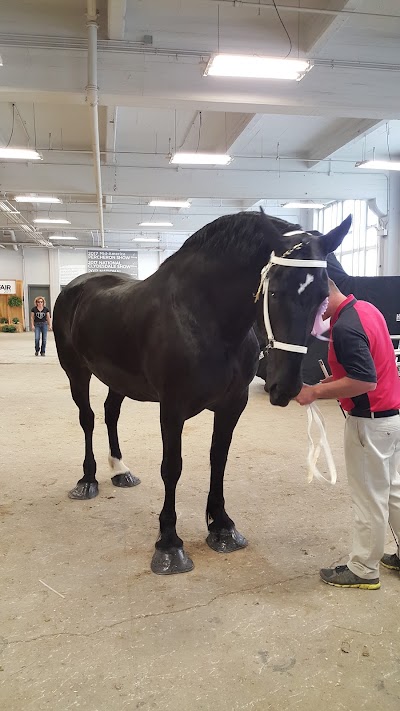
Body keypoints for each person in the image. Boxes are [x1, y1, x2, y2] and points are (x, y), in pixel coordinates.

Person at [296, 278, 400, 590]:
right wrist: (333, 383)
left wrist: (315, 391)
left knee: (368, 498)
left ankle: (363, 569)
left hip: (369, 422)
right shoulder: (366, 310)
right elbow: (371, 370)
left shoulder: (344, 328)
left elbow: (364, 381)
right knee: (392, 490)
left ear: (323, 297)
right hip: (389, 417)